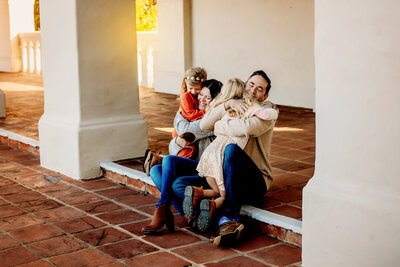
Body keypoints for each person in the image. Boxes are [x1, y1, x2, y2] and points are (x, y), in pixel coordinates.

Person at [173, 70, 277, 246]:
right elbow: (205, 124)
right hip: (225, 175)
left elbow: (248, 128)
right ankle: (209, 211)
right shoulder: (235, 104)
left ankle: (229, 219)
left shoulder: (266, 110)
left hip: (255, 180)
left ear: (265, 94)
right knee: (178, 184)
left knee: (231, 150)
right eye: (251, 85)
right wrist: (227, 104)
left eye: (260, 89)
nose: (253, 90)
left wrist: (220, 125)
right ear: (244, 85)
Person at [141, 79, 223, 235]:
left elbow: (186, 129)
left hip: (205, 171)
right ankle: (187, 216)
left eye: (208, 97)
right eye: (201, 94)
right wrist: (179, 139)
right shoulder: (193, 114)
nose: (202, 99)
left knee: (169, 161)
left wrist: (179, 119)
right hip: (191, 165)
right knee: (155, 170)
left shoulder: (212, 119)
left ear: (216, 101)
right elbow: (174, 147)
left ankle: (163, 208)